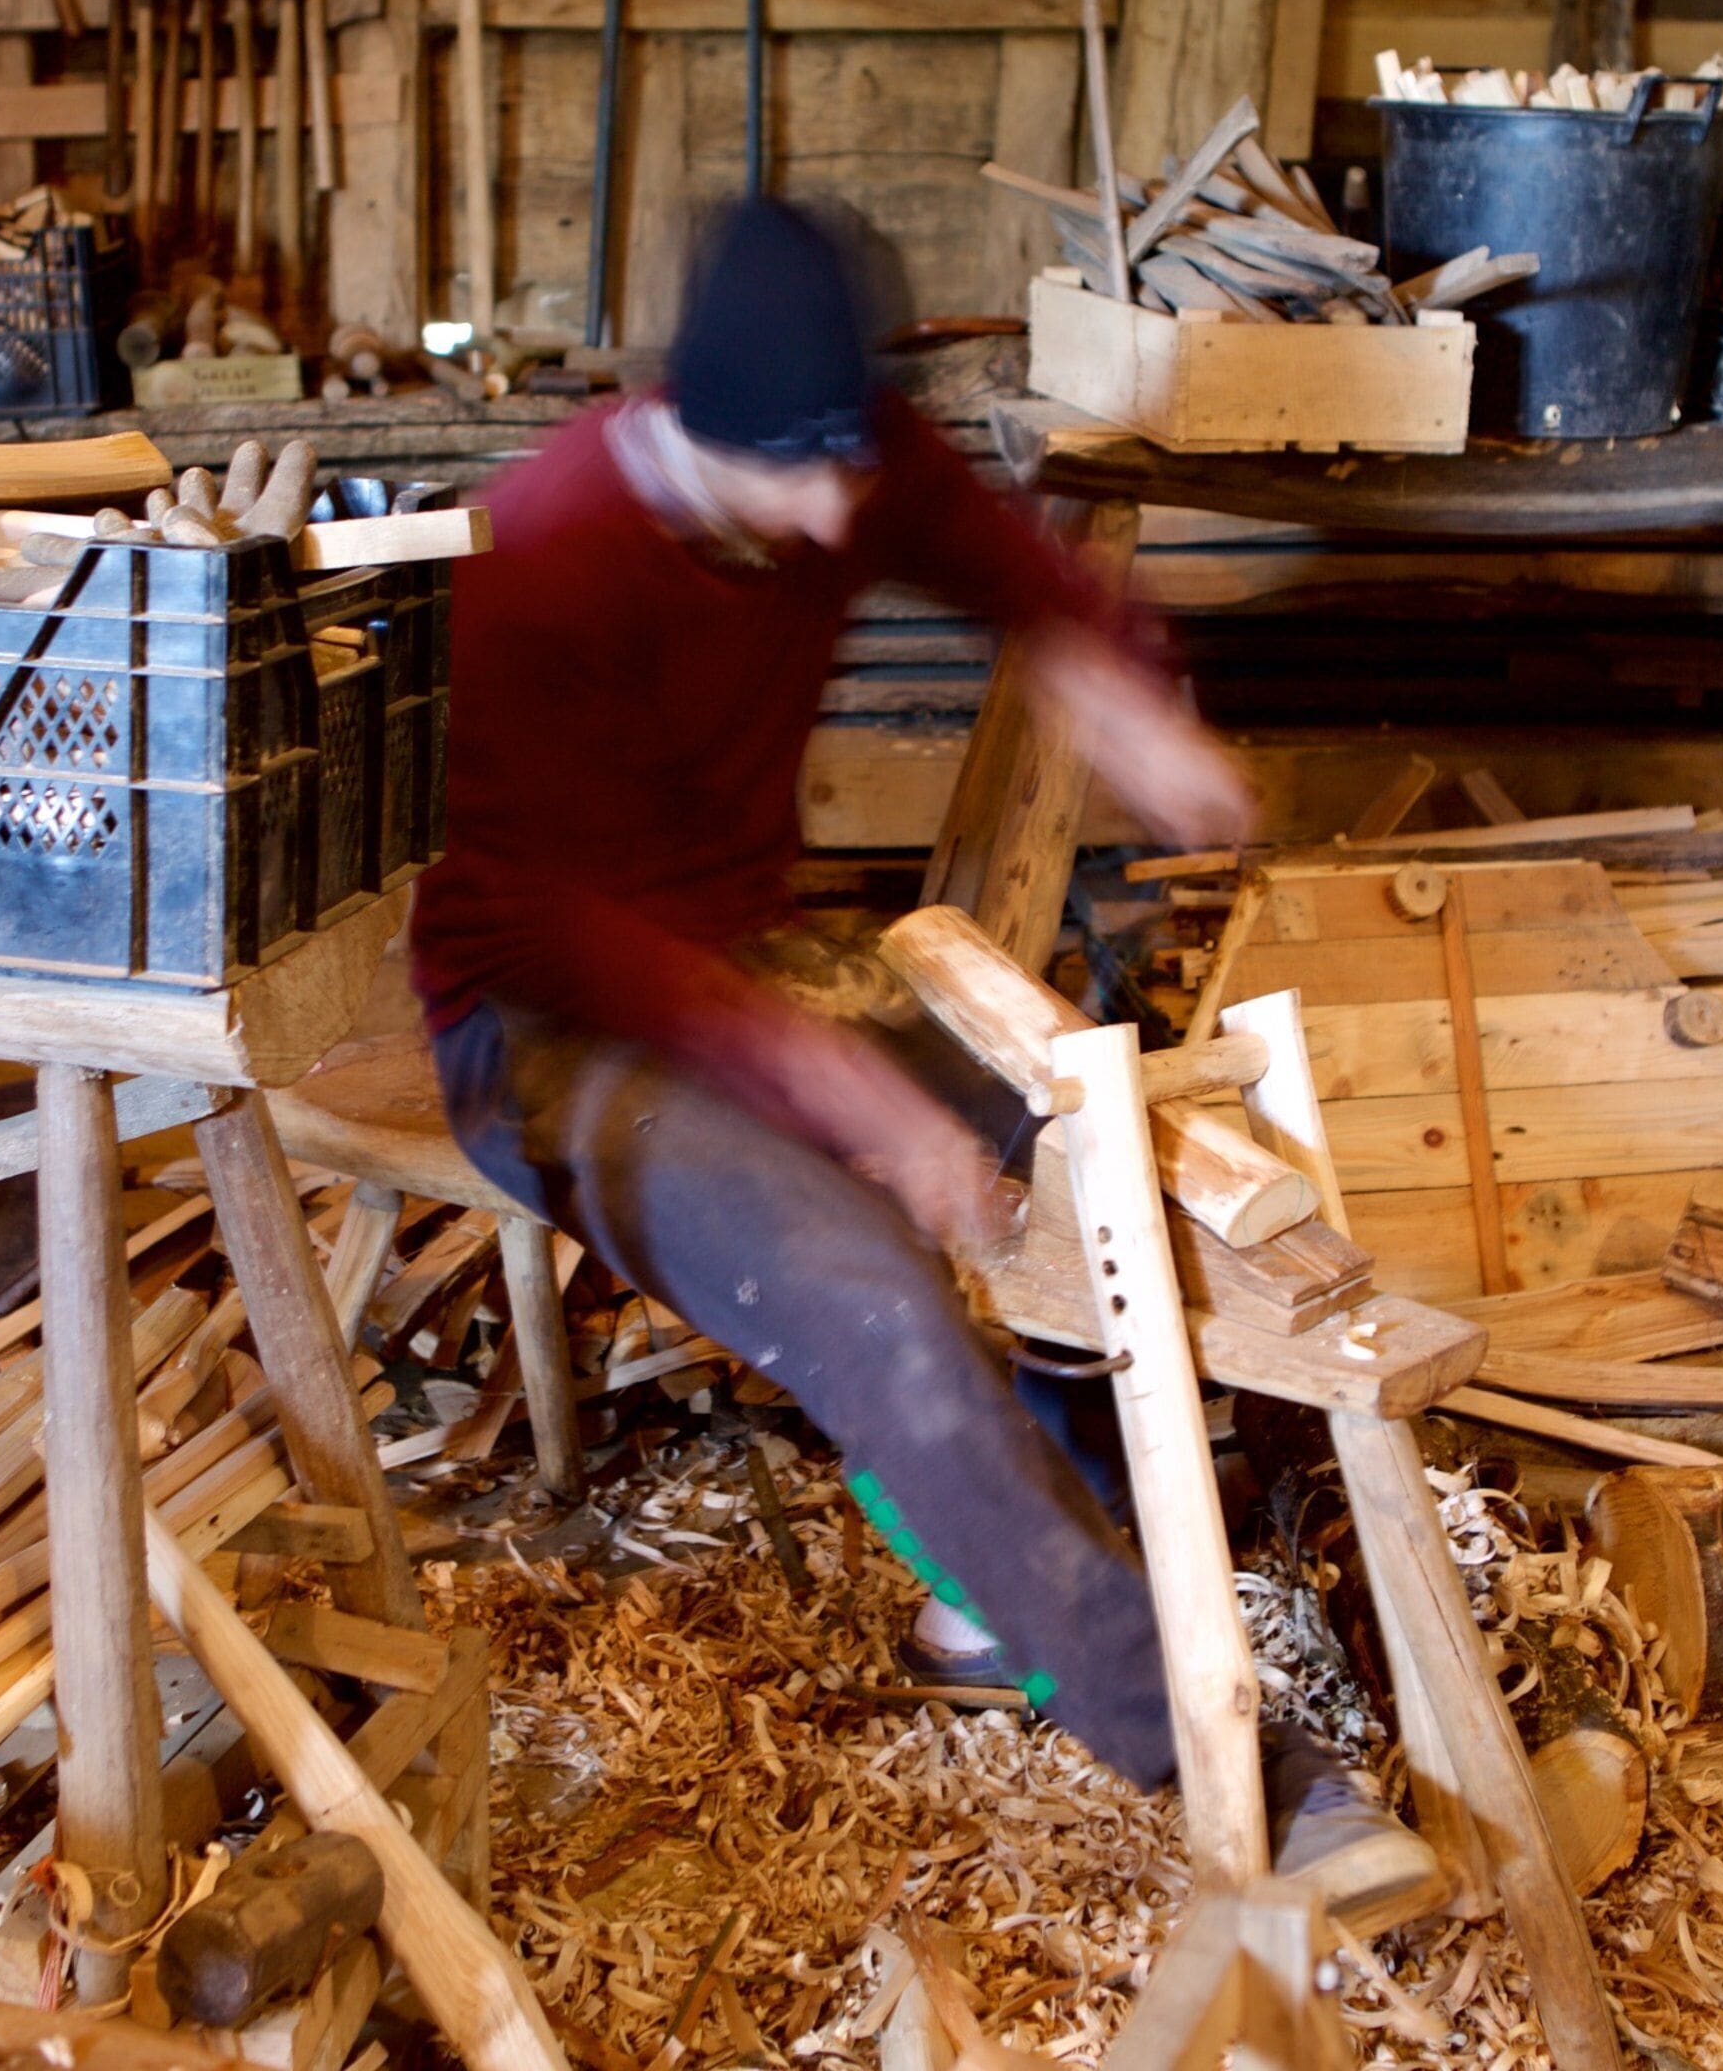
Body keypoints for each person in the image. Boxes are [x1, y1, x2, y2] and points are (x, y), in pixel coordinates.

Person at [411, 199, 1430, 1915]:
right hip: (548, 1017)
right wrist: (859, 1101)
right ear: (685, 428)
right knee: (874, 1293)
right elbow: (559, 930)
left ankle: (1007, 1584)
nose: (834, 521)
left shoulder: (846, 455)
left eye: (851, 474)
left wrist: (1131, 698)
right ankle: (1224, 1767)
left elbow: (1015, 566)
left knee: (1081, 1166)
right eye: (790, 485)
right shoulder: (544, 558)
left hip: (749, 961)